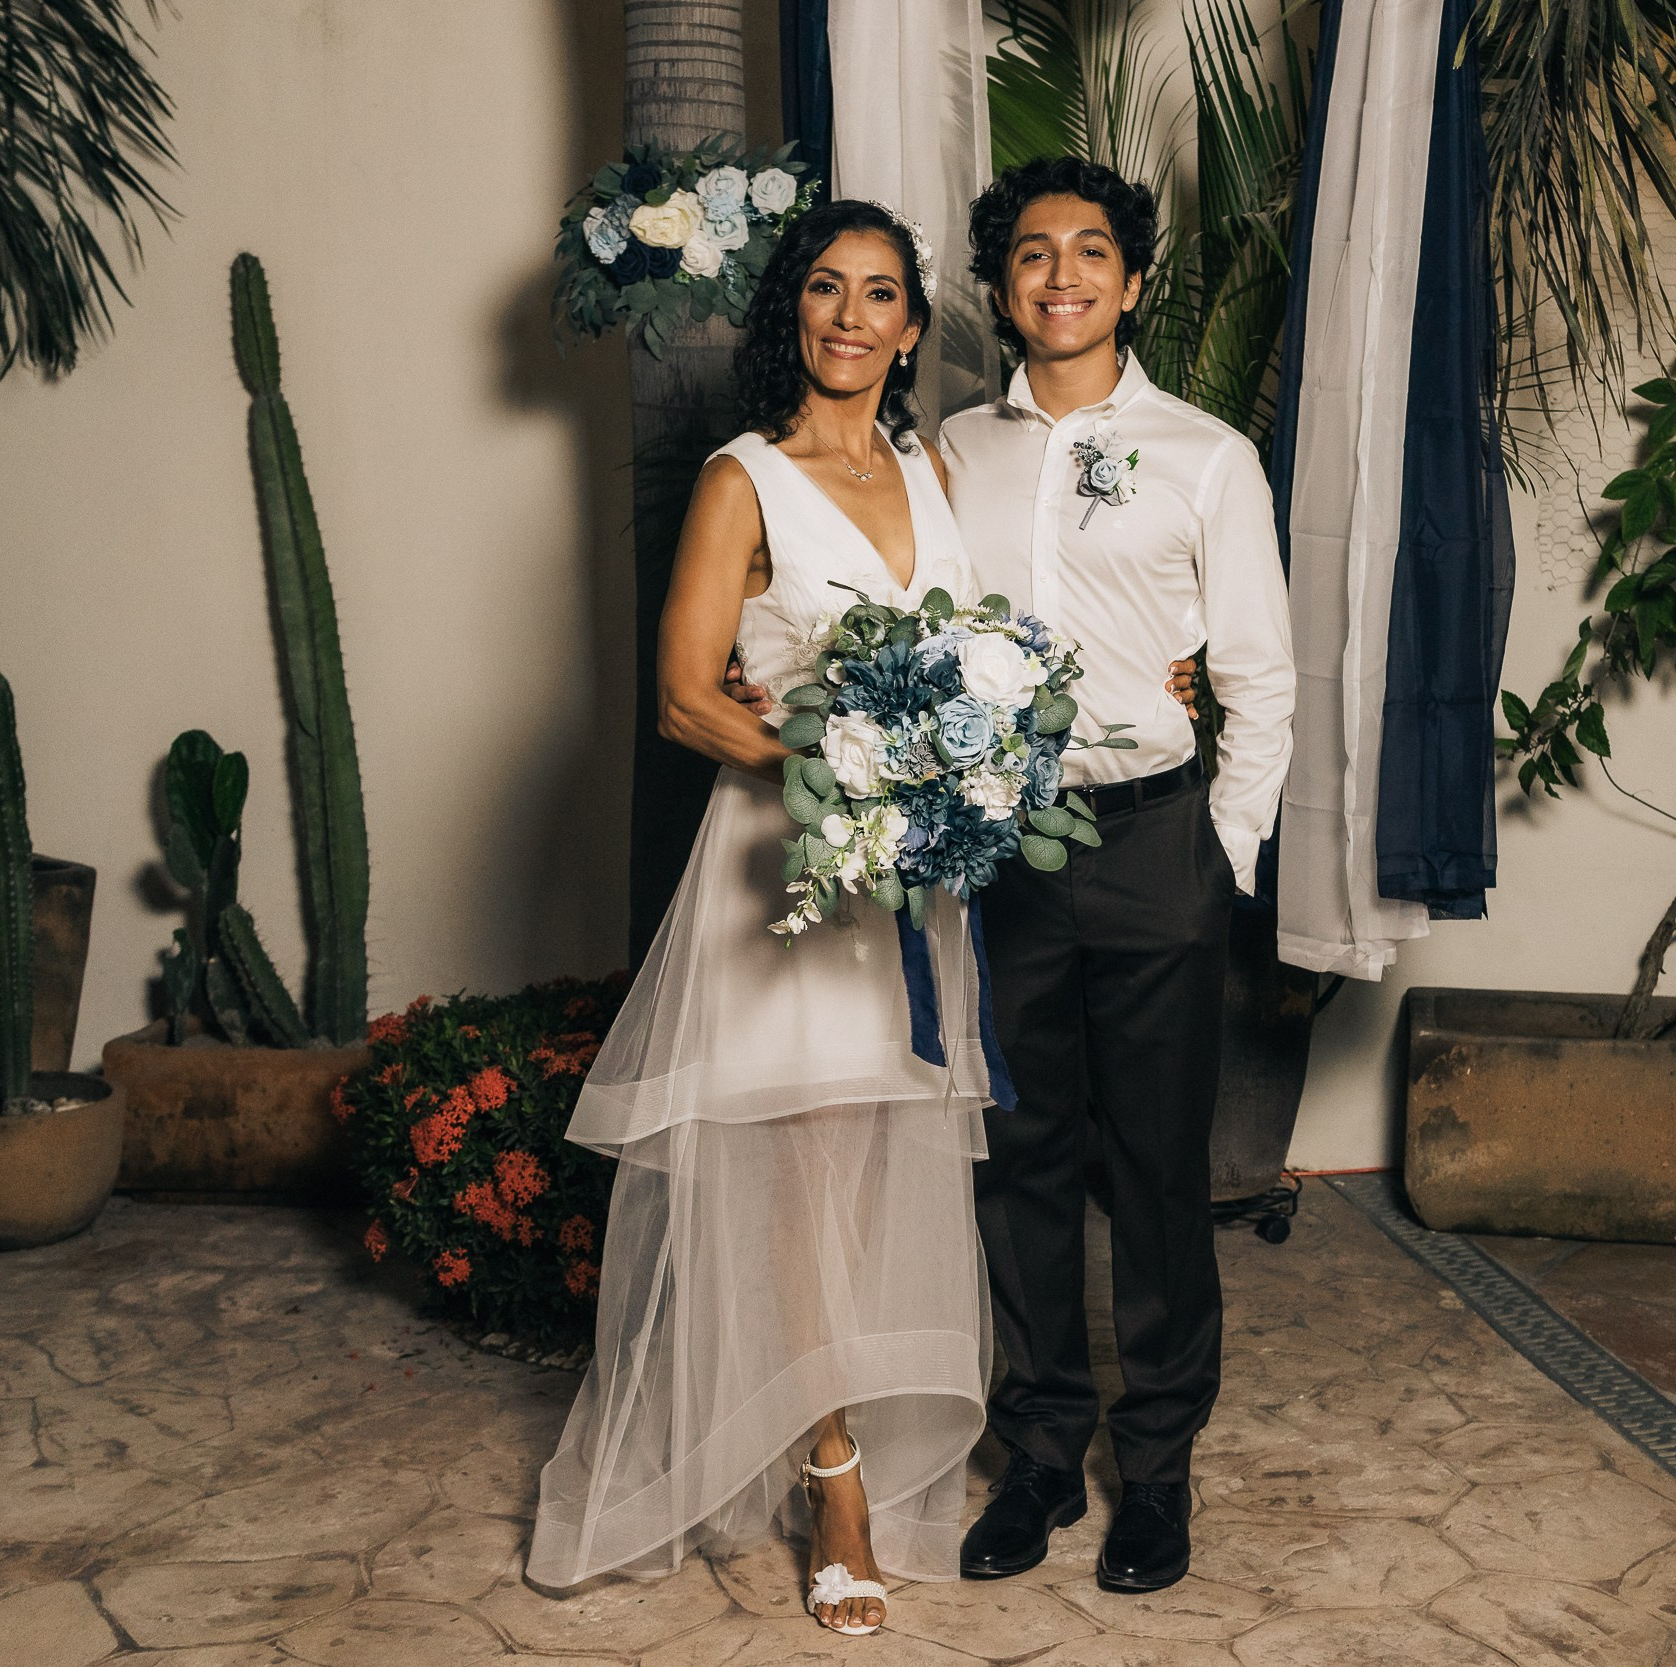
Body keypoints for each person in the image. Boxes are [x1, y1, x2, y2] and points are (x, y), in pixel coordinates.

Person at [525, 201, 994, 1638]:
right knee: (794, 1180)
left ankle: (825, 1426)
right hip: (787, 877)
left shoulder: (928, 465)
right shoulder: (747, 478)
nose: (851, 318)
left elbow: (976, 655)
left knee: (871, 1162)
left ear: (913, 326)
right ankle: (834, 1475)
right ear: (795, 312)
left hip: (909, 886)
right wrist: (839, 772)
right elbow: (682, 697)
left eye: (881, 297)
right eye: (825, 292)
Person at [938, 157, 1296, 1595]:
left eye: (1092, 252)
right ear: (1003, 285)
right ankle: (1037, 1452)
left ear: (1133, 283)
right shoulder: (954, 450)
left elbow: (1261, 679)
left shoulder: (1209, 455)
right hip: (1000, 848)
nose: (1062, 275)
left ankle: (1157, 1473)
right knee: (1016, 1158)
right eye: (1033, 254)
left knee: (1155, 1172)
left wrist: (1219, 852)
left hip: (1156, 842)